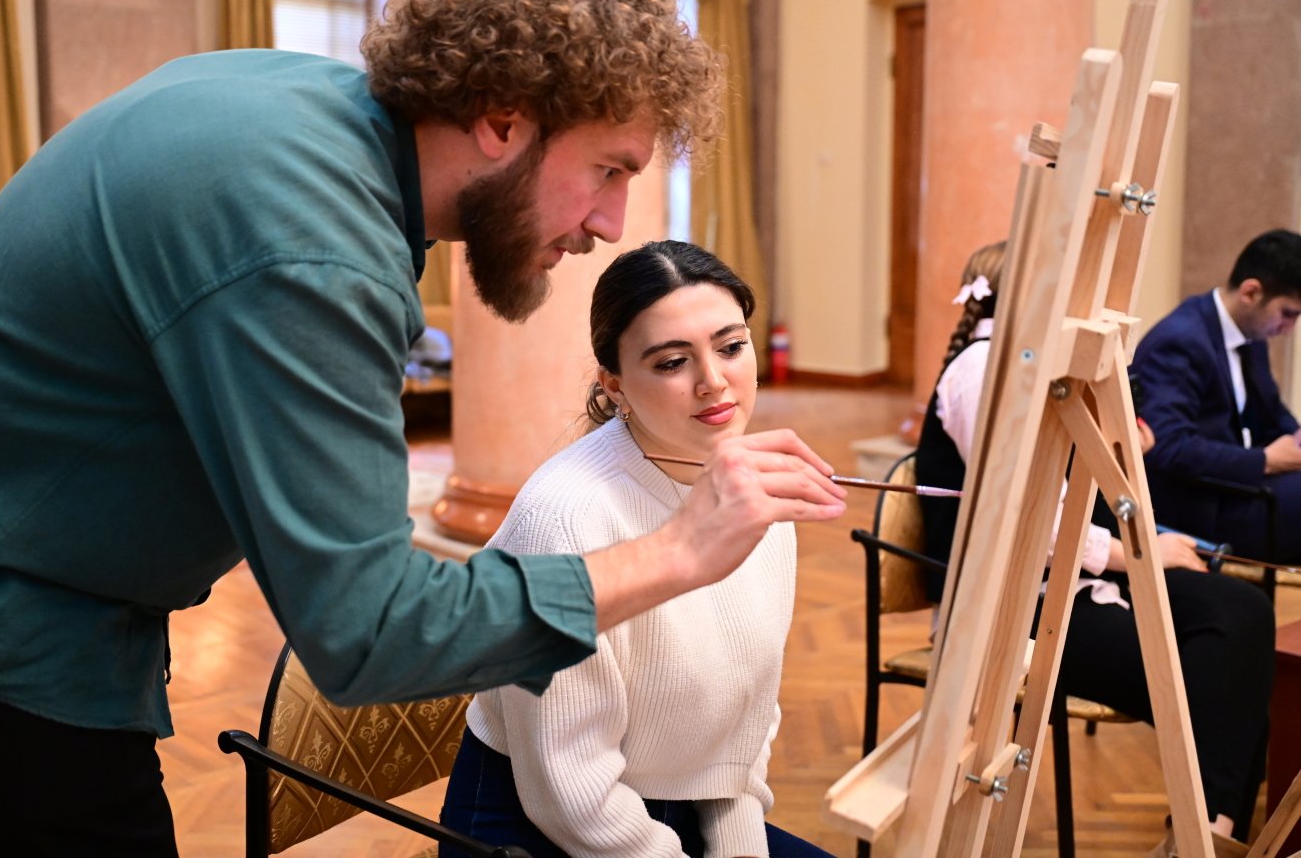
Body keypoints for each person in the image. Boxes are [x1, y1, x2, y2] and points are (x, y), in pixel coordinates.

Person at [0, 0, 848, 857]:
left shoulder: (294, 95)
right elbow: (365, 631)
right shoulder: (317, 253)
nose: (612, 224)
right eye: (610, 169)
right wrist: (676, 550)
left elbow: (108, 215)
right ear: (502, 118)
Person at [438, 241, 832, 858]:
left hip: (686, 806)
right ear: (615, 385)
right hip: (541, 825)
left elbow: (745, 716)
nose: (714, 381)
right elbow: (567, 790)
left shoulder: (757, 485)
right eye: (673, 362)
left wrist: (739, 845)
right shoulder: (563, 520)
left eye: (731, 347)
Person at [916, 242, 1273, 846]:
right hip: (1009, 606)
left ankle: (1210, 828)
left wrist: (1116, 445)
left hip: (1075, 578)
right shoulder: (983, 372)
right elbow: (1030, 518)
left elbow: (1072, 493)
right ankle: (1206, 832)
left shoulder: (1039, 368)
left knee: (1240, 612)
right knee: (1207, 671)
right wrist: (1134, 555)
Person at [1132, 228, 1301, 562]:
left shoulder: (1250, 334)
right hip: (1198, 505)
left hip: (1237, 486)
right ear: (1251, 292)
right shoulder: (1180, 340)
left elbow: (1270, 412)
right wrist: (1265, 460)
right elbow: (1165, 446)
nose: (1290, 328)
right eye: (1288, 314)